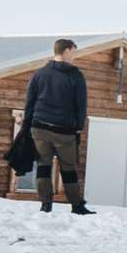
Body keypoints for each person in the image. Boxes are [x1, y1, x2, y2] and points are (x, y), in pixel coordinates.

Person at [23, 38, 93, 215]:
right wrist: (78, 126)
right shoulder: (75, 75)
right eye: (74, 52)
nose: (75, 56)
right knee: (68, 168)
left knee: (43, 166)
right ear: (67, 50)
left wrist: (27, 124)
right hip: (64, 130)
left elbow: (29, 101)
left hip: (39, 128)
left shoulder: (40, 73)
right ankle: (76, 206)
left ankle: (46, 204)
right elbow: (81, 103)